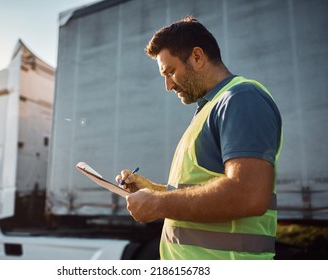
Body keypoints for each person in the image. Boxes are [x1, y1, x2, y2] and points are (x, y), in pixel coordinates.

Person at [116, 16, 282, 260]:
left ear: (197, 57)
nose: (168, 85)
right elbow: (201, 189)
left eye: (170, 72)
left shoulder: (241, 98)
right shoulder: (209, 108)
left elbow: (249, 193)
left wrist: (159, 205)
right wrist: (154, 192)